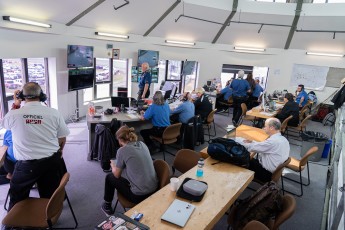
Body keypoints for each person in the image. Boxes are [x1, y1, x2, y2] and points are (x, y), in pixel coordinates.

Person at [1, 82, 70, 210]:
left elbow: (5, 125)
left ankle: (14, 224)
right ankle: (48, 218)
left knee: (16, 196)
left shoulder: (13, 114)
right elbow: (62, 137)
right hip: (51, 162)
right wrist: (60, 152)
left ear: (22, 96)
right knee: (50, 195)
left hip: (26, 165)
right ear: (42, 96)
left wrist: (16, 104)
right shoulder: (54, 113)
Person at [101, 126, 158, 216]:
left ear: (120, 139)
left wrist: (112, 165)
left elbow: (116, 175)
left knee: (109, 177)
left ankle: (107, 205)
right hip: (155, 190)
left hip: (139, 196)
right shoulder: (142, 144)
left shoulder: (122, 151)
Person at [243, 118, 290, 183]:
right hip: (274, 172)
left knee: (241, 159)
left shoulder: (272, 142)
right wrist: (252, 142)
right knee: (249, 157)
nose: (263, 128)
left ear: (271, 128)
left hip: (266, 174)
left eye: (265, 126)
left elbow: (252, 147)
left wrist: (238, 141)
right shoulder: (283, 139)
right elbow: (263, 146)